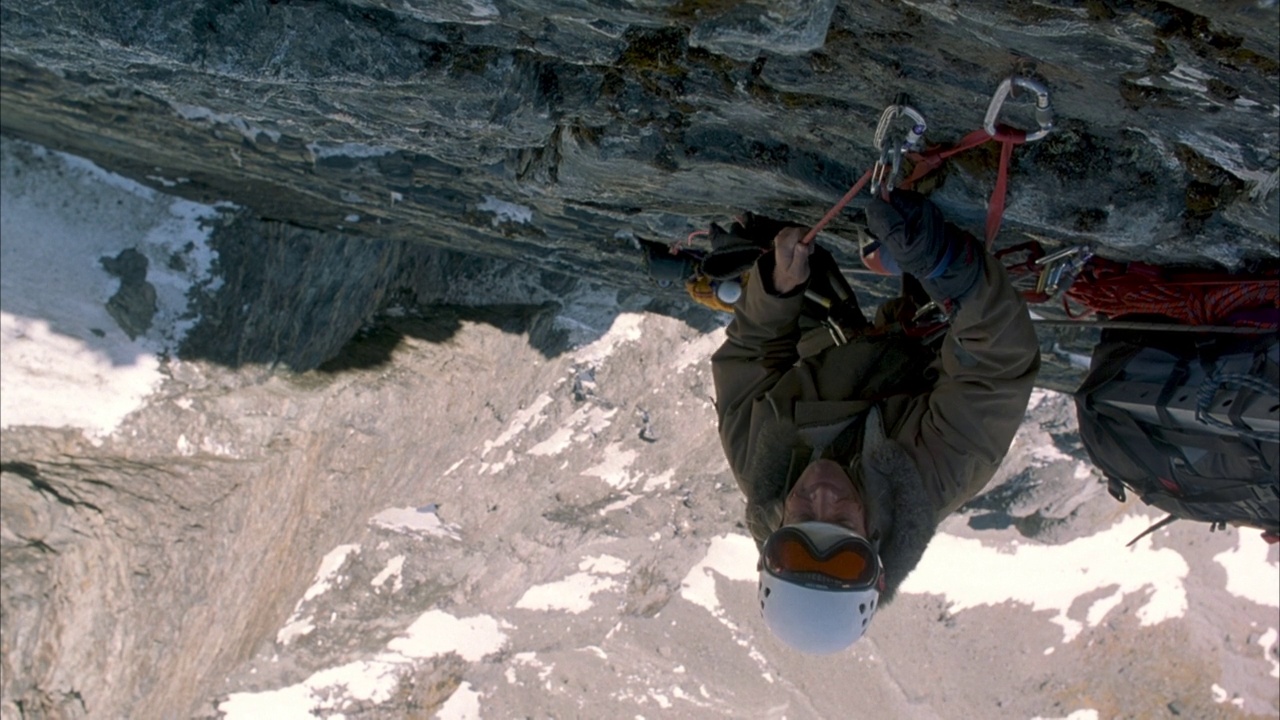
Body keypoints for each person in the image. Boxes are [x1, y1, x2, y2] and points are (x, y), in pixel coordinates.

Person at [710, 190, 1040, 654]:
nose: (821, 496)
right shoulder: (931, 481)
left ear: (775, 529)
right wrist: (947, 265)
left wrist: (776, 290)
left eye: (803, 516)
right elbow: (993, 368)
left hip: (834, 344)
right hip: (938, 336)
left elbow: (747, 358)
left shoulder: (761, 466)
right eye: (841, 520)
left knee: (773, 242)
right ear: (875, 543)